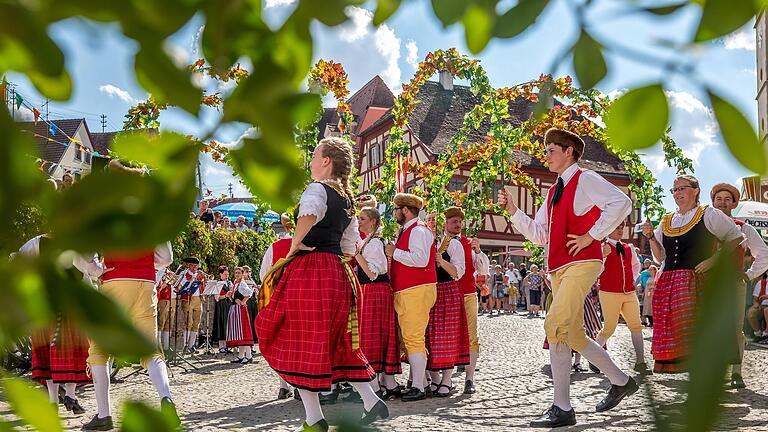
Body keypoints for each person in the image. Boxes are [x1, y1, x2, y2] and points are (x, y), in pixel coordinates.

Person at [498, 128, 637, 427]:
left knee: (555, 325)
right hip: (559, 268)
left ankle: (562, 407)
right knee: (572, 335)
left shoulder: (585, 178)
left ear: (569, 152)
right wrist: (513, 212)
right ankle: (621, 381)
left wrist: (591, 236)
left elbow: (621, 203)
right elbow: (539, 236)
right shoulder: (552, 192)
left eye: (550, 150)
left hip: (583, 263)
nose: (545, 155)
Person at [256, 137, 387, 431]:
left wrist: (294, 246)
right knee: (337, 339)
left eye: (315, 156)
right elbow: (351, 246)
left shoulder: (317, 189)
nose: (312, 161)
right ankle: (370, 399)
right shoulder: (348, 201)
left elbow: (310, 212)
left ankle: (315, 419)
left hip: (311, 272)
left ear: (326, 161)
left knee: (297, 337)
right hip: (338, 273)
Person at [83, 160, 178, 431]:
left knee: (100, 349)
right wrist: (148, 266)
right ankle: (166, 398)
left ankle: (104, 415)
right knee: (151, 348)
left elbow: (83, 252)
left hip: (115, 281)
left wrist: (96, 270)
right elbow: (167, 257)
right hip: (145, 283)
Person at [641, 175, 742, 373]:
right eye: (675, 190)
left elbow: (735, 237)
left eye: (682, 188)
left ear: (696, 191)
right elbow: (660, 257)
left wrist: (712, 261)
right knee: (680, 338)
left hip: (697, 282)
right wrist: (651, 236)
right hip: (670, 284)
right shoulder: (668, 219)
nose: (677, 193)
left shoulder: (708, 214)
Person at [19, 235, 102, 416]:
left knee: (48, 352)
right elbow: (93, 270)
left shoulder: (37, 242)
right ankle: (70, 396)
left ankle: (53, 401)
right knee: (71, 351)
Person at [710, 182, 768, 388]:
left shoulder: (743, 228)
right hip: (705, 285)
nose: (723, 203)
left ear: (733, 203)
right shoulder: (703, 227)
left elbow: (764, 254)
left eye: (727, 199)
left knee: (735, 328)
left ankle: (736, 373)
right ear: (713, 202)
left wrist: (750, 274)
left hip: (734, 283)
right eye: (719, 199)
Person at [384, 192, 437, 402]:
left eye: (397, 210)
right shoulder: (411, 229)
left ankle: (418, 386)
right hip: (410, 289)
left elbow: (420, 259)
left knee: (414, 338)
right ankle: (421, 383)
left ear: (405, 210)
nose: (395, 213)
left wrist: (394, 252)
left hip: (415, 289)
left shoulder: (418, 230)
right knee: (411, 338)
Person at [354, 207, 401, 399]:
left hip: (374, 292)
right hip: (374, 292)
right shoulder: (371, 241)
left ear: (373, 221)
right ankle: (386, 383)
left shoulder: (374, 243)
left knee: (371, 335)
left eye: (363, 219)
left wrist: (356, 255)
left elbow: (373, 274)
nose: (360, 222)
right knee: (376, 334)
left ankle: (377, 385)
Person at [426, 206, 470, 397]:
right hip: (430, 291)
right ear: (445, 223)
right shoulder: (431, 241)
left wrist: (441, 261)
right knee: (430, 335)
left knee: (448, 336)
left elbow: (458, 273)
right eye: (454, 221)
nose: (458, 225)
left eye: (460, 222)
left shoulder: (454, 245)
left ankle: (447, 379)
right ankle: (435, 379)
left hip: (448, 290)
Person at [595, 223, 648, 373]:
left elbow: (636, 265)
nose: (619, 230)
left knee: (636, 326)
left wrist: (634, 278)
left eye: (621, 228)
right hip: (609, 292)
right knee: (609, 329)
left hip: (629, 293)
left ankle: (640, 362)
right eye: (616, 227)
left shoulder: (629, 247)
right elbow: (597, 271)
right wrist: (602, 256)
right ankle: (593, 358)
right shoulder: (603, 248)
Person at [174, 257, 207, 353]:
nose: (195, 267)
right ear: (189, 265)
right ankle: (185, 345)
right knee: (188, 323)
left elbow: (203, 286)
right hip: (188, 299)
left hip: (198, 299)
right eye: (193, 265)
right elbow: (182, 286)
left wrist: (204, 280)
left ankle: (192, 345)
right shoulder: (184, 274)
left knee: (196, 323)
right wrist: (193, 278)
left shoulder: (199, 275)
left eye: (196, 266)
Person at [226, 267, 255, 364]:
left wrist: (243, 302)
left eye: (239, 273)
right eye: (235, 273)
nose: (237, 274)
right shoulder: (235, 284)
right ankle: (241, 356)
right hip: (235, 309)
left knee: (243, 332)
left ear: (242, 274)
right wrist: (230, 296)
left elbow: (249, 293)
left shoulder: (242, 283)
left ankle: (249, 355)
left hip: (240, 310)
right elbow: (234, 299)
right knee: (238, 333)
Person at [211, 266, 232, 353]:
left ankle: (228, 345)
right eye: (225, 274)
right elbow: (217, 297)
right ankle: (221, 346)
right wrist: (225, 296)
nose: (226, 276)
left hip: (228, 305)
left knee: (228, 324)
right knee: (221, 324)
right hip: (221, 305)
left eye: (227, 274)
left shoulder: (230, 283)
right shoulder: (218, 284)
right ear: (220, 274)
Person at [748, 273, 768, 342]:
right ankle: (758, 334)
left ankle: (766, 334)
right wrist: (755, 304)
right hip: (761, 306)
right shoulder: (761, 282)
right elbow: (755, 298)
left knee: (766, 311)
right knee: (751, 313)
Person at [474, 239, 491, 315]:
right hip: (475, 285)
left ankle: (483, 309)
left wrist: (478, 251)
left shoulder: (480, 256)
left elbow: (484, 270)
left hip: (479, 286)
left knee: (482, 297)